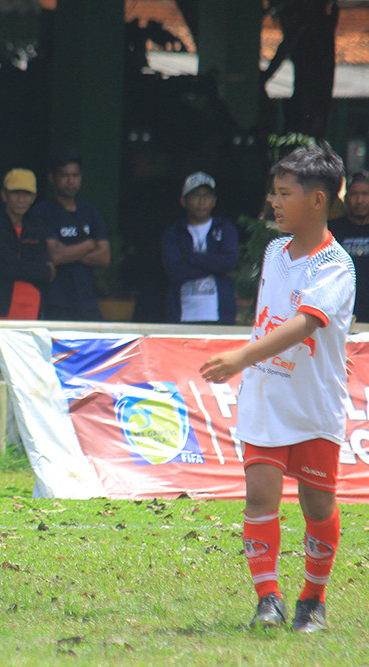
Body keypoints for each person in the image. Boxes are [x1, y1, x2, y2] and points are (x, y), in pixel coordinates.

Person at [200, 144, 352, 633]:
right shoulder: (272, 251)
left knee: (318, 506)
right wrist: (252, 367)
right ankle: (269, 599)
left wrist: (242, 357)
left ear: (318, 200)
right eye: (274, 191)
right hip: (266, 398)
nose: (274, 201)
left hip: (312, 408)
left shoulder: (337, 265)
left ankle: (313, 600)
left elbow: (306, 323)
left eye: (285, 193)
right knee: (259, 497)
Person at [33, 151, 110, 320]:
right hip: (56, 301)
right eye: (64, 176)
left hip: (88, 301)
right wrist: (89, 245)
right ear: (52, 178)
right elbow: (55, 255)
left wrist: (69, 252)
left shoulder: (90, 212)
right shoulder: (43, 212)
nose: (70, 181)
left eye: (75, 175)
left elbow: (104, 257)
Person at [161, 172, 240, 324]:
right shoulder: (173, 233)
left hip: (220, 316)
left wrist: (190, 257)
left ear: (214, 201)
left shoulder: (225, 229)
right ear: (183, 201)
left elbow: (229, 262)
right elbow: (174, 272)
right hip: (181, 316)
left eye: (207, 196)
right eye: (195, 196)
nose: (202, 201)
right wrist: (216, 266)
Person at [0, 168, 55, 319]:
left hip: (33, 309)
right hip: (0, 310)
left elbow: (7, 266)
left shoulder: (37, 227)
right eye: (15, 193)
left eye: (26, 194)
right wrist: (43, 270)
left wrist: (9, 267)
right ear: (4, 195)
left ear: (33, 197)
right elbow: (5, 265)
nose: (21, 199)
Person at [329, 170, 369, 323]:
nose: (360, 200)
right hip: (342, 316)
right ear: (345, 199)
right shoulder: (332, 231)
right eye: (354, 194)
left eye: (365, 194)